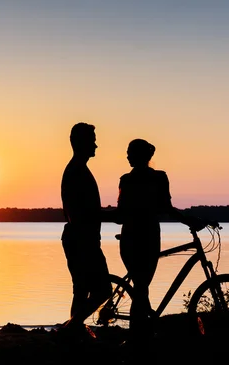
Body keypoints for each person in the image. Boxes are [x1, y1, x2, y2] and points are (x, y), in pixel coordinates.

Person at [115, 138, 209, 346]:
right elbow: (167, 209)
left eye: (130, 152)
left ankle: (141, 334)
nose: (127, 156)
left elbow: (123, 214)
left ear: (140, 155)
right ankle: (138, 338)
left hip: (135, 237)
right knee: (141, 287)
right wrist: (191, 220)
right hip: (143, 237)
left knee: (141, 287)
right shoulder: (151, 178)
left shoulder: (131, 180)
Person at [58, 122, 113, 340]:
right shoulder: (77, 171)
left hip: (78, 237)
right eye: (92, 140)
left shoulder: (77, 169)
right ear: (80, 142)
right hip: (83, 240)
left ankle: (74, 334)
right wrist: (111, 216)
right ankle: (73, 326)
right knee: (103, 291)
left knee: (80, 290)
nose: (96, 145)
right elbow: (82, 212)